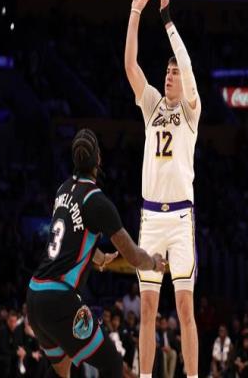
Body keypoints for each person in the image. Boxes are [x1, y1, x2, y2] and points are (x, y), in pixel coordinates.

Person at [26, 128, 166, 378]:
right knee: (112, 365)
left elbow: (69, 239)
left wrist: (97, 256)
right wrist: (154, 263)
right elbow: (134, 256)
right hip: (60, 298)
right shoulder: (97, 201)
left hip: (35, 295)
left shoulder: (62, 190)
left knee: (61, 369)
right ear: (98, 159)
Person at [124, 0, 201, 378]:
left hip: (181, 219)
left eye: (174, 72)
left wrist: (167, 20)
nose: (170, 76)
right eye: (167, 71)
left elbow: (186, 65)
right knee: (149, 309)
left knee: (185, 307)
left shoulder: (191, 109)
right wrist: (136, 12)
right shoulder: (152, 103)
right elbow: (130, 66)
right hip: (152, 218)